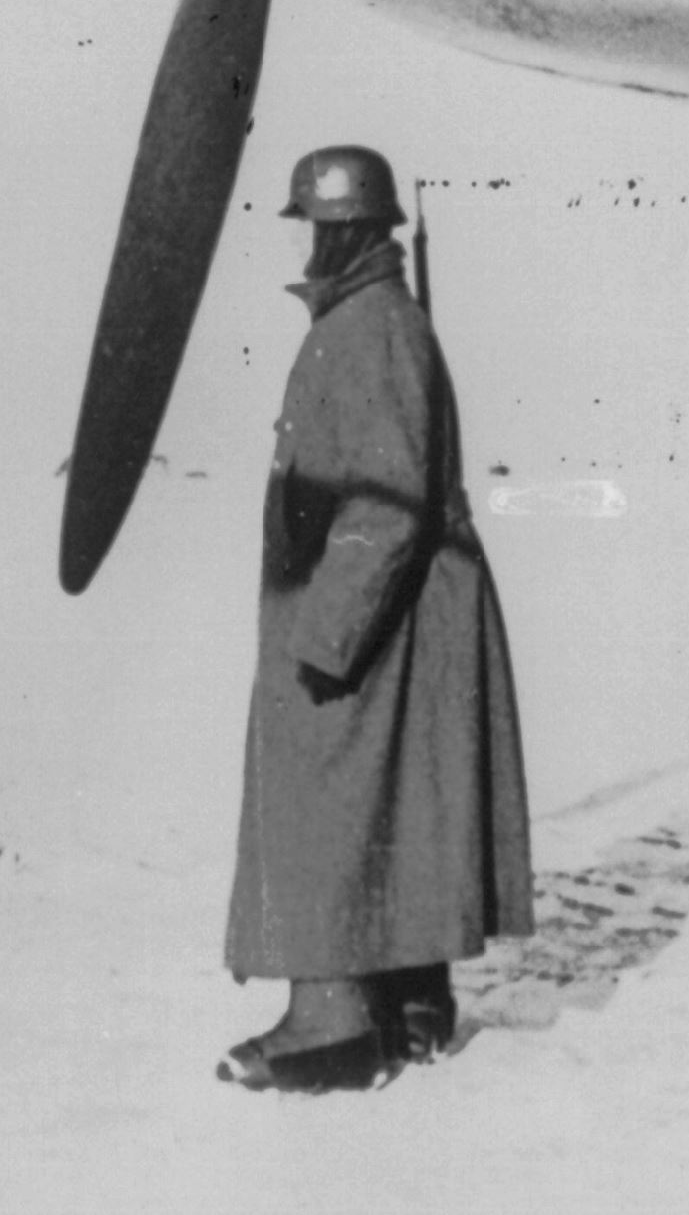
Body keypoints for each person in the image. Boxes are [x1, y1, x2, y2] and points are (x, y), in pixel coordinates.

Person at [218, 145, 536, 1094]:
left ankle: (332, 1023)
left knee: (327, 801)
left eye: (319, 227)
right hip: (403, 614)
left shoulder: (368, 332)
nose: (312, 245)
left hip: (372, 612)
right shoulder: (376, 324)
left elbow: (386, 502)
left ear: (347, 231)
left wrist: (326, 633)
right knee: (402, 801)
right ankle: (408, 1001)